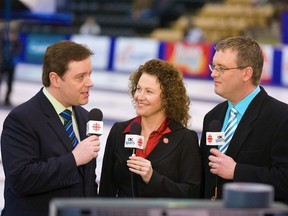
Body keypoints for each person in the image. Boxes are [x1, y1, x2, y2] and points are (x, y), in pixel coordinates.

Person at [1, 40, 100, 216]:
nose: (90, 82)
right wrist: (73, 159)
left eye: (90, 74)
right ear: (55, 79)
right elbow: (21, 179)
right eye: (80, 77)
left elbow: (88, 181)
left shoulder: (86, 117)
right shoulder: (22, 119)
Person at [199, 36, 288, 204]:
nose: (213, 73)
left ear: (247, 73)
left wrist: (237, 171)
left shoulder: (281, 118)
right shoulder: (212, 117)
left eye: (222, 68)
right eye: (214, 66)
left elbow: (285, 179)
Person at [99, 58, 202, 198]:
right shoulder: (119, 131)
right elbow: (106, 190)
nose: (139, 96)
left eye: (149, 92)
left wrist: (153, 178)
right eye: (138, 89)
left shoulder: (185, 139)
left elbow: (192, 193)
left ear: (167, 98)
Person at [0, 27, 22, 106]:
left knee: (9, 83)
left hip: (11, 66)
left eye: (13, 35)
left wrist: (10, 52)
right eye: (10, 34)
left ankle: (7, 99)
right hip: (2, 66)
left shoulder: (17, 43)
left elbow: (18, 52)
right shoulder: (3, 42)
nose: (11, 36)